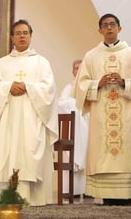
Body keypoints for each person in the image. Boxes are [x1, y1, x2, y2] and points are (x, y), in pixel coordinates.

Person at [72, 13, 131, 206]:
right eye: (105, 25)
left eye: (113, 24)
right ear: (100, 30)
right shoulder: (91, 55)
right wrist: (97, 83)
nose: (109, 28)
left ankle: (128, 194)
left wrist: (125, 82)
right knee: (103, 151)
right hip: (101, 116)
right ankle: (105, 195)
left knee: (126, 153)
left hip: (127, 114)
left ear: (119, 28)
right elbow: (80, 85)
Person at [0, 19, 58, 206]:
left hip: (31, 120)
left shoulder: (41, 63)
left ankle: (34, 199)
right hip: (8, 121)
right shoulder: (2, 63)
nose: (22, 36)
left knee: (30, 154)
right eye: (18, 33)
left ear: (31, 36)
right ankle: (6, 199)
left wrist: (28, 87)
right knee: (8, 154)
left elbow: (49, 89)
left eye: (25, 33)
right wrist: (8, 86)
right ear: (12, 38)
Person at [58, 59, 89, 197]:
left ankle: (89, 191)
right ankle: (72, 191)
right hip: (72, 131)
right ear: (72, 71)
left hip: (89, 129)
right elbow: (61, 105)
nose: (78, 70)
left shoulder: (90, 87)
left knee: (90, 153)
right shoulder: (67, 89)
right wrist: (76, 104)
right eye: (76, 68)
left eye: (81, 68)